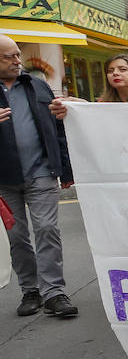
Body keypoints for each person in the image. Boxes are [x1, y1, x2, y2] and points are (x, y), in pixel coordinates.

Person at [0, 34, 77, 319]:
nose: (17, 61)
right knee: (17, 236)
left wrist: (66, 169)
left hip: (42, 172)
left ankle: (53, 292)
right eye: (8, 56)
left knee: (47, 229)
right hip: (4, 180)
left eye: (17, 54)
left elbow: (56, 127)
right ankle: (30, 290)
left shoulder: (37, 84)